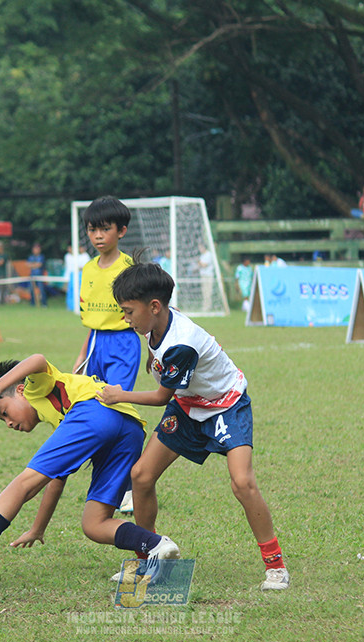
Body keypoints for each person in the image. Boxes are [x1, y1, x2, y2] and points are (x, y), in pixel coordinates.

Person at [97, 261, 290, 591]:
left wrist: (119, 395)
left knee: (242, 483)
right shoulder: (155, 323)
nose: (126, 319)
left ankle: (276, 566)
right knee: (141, 476)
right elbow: (162, 363)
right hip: (188, 405)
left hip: (226, 404)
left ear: (154, 306)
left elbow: (161, 397)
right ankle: (148, 559)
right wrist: (152, 359)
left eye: (129, 312)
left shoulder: (181, 343)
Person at [0, 353, 180, 588]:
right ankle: (155, 547)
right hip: (130, 427)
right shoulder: (60, 415)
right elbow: (57, 480)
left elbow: (37, 359)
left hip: (93, 411)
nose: (9, 423)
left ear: (20, 390)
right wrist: (38, 528)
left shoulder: (36, 388)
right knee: (94, 524)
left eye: (5, 412)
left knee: (24, 483)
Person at [72, 196, 144, 515]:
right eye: (92, 229)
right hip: (96, 345)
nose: (98, 236)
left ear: (121, 231)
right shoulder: (88, 269)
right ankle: (109, 483)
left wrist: (153, 349)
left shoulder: (128, 268)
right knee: (94, 410)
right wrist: (82, 357)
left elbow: (144, 312)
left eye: (105, 229)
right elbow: (92, 321)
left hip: (123, 344)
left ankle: (130, 486)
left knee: (116, 409)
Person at [197, 243, 215, 312]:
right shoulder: (202, 255)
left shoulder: (209, 254)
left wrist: (199, 262)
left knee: (208, 292)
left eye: (200, 248)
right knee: (204, 292)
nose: (200, 249)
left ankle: (207, 307)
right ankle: (205, 306)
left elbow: (204, 265)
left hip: (208, 276)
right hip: (203, 275)